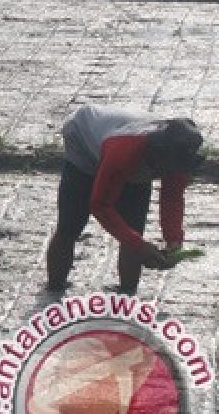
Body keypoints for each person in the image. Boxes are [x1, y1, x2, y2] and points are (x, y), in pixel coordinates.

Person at [46, 105, 204, 294]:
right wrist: (139, 245)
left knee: (134, 227)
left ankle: (127, 293)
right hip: (84, 141)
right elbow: (100, 205)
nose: (168, 173)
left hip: (127, 149)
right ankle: (55, 287)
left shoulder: (179, 156)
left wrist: (174, 240)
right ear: (157, 153)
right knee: (70, 224)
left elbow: (172, 198)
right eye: (165, 168)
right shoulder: (123, 152)